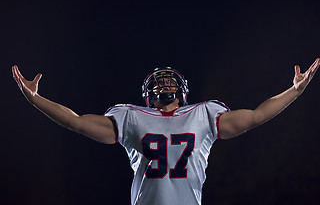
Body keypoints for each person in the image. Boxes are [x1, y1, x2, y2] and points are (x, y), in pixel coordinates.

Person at [12, 58, 320, 205]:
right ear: (148, 92)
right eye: (159, 82)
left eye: (170, 81)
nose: (165, 85)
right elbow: (76, 121)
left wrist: (293, 92)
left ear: (182, 90)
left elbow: (254, 116)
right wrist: (36, 99)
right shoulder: (131, 117)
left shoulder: (204, 114)